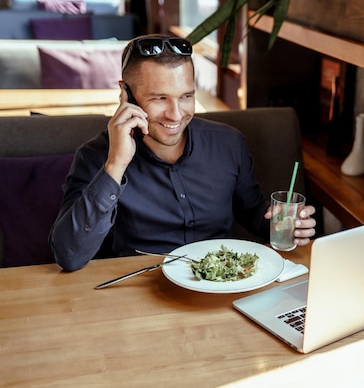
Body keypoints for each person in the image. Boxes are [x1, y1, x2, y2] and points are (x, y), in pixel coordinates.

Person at [49, 34, 316, 271]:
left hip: (221, 285)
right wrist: (115, 165)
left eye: (186, 96)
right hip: (140, 291)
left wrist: (283, 226)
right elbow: (69, 256)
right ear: (125, 94)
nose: (176, 114)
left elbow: (253, 214)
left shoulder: (229, 143)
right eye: (159, 98)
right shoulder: (96, 157)